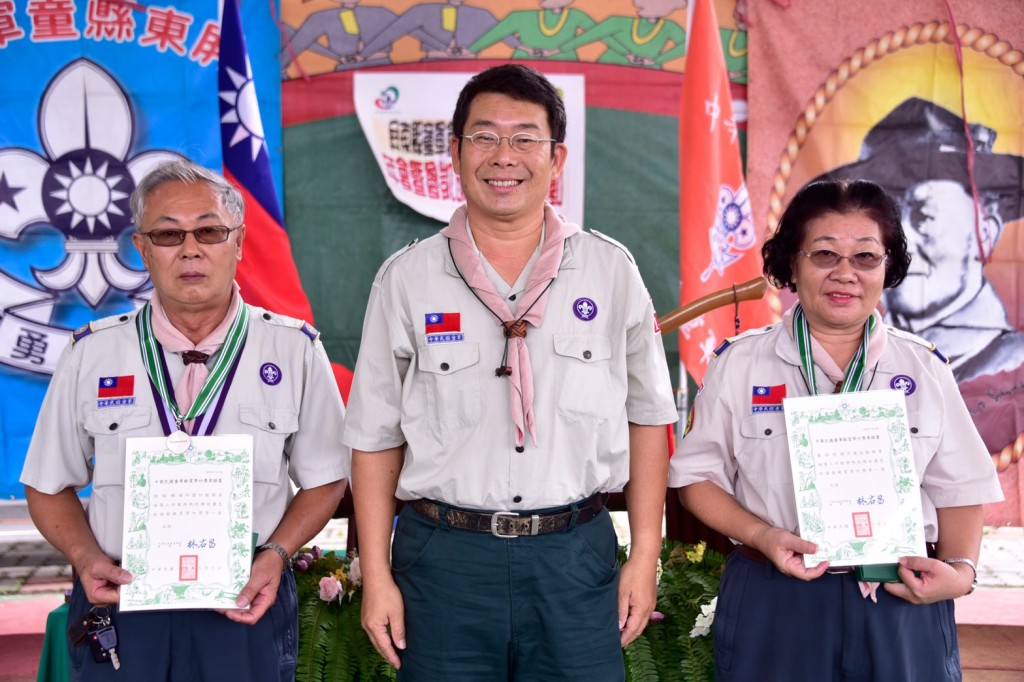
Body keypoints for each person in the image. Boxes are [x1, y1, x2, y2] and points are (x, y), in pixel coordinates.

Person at [343, 63, 677, 681]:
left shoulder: (610, 270)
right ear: (454, 151)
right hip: (444, 561)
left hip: (573, 556)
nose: (505, 156)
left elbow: (649, 417)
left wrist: (646, 557)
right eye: (485, 136)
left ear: (557, 157)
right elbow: (373, 436)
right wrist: (378, 576)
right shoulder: (407, 279)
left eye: (525, 138)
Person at [20, 159, 349, 681]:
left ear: (239, 241)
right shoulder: (92, 354)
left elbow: (327, 478)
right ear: (142, 248)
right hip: (125, 604)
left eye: (210, 231)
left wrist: (277, 554)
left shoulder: (293, 350)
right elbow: (47, 483)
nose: (191, 249)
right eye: (169, 234)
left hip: (245, 599)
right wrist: (84, 557)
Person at [670, 178, 1003, 681]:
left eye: (866, 257)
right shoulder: (740, 365)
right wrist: (762, 535)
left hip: (900, 596)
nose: (845, 274)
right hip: (776, 597)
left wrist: (959, 574)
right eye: (824, 254)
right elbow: (696, 478)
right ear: (791, 262)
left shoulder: (924, 368)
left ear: (887, 266)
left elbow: (958, 488)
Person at [818, 97, 1024, 383]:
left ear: (984, 233)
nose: (901, 245)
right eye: (884, 225)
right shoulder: (843, 365)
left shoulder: (1013, 366)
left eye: (925, 218)